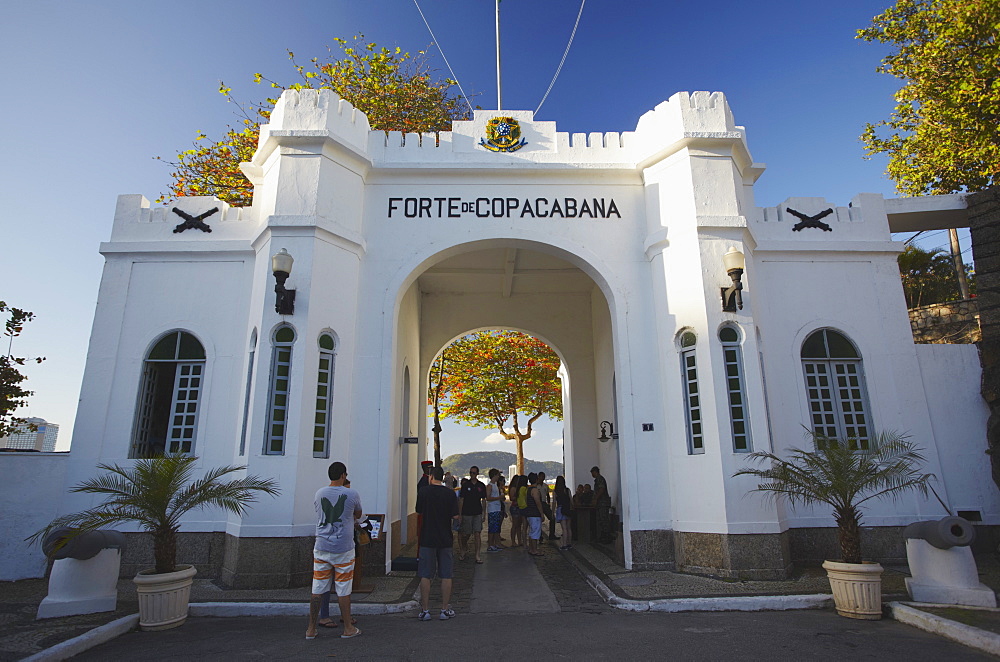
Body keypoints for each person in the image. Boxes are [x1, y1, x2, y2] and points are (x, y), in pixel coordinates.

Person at [307, 462, 362, 640]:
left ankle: (311, 629)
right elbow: (358, 513)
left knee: (318, 588)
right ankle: (347, 628)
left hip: (322, 546)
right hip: (343, 548)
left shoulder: (319, 493)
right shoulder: (351, 493)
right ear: (343, 475)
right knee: (343, 588)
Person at [415, 466, 460, 621]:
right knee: (446, 575)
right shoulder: (449, 494)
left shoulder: (424, 492)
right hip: (445, 537)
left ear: (431, 477)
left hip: (427, 537)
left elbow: (419, 511)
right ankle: (444, 609)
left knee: (425, 575)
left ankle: (425, 610)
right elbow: (455, 516)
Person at [318, 479, 360, 630]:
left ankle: (344, 616)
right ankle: (324, 616)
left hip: (341, 544)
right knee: (326, 585)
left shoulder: (327, 495)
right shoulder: (325, 495)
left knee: (343, 586)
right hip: (333, 546)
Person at [457, 466, 487, 563]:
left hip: (477, 512)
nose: (472, 474)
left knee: (477, 533)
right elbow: (461, 500)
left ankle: (477, 555)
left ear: (477, 473)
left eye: (474, 473)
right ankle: (463, 548)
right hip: (467, 513)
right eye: (471, 472)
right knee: (466, 534)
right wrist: (460, 514)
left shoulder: (481, 485)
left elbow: (483, 500)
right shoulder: (466, 486)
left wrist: (484, 513)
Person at [523, 472, 547, 556]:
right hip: (535, 514)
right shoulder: (535, 490)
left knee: (532, 532)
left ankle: (531, 548)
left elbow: (526, 500)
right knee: (535, 532)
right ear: (536, 479)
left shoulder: (528, 490)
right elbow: (538, 502)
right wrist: (541, 513)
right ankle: (534, 549)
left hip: (529, 513)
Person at [591, 466, 613, 544]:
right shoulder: (597, 480)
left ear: (595, 472)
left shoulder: (600, 479)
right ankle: (603, 536)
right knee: (601, 520)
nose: (592, 474)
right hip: (600, 504)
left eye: (592, 472)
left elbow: (601, 489)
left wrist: (595, 498)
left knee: (604, 520)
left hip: (602, 503)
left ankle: (607, 536)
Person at [485, 468, 504, 552]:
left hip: (497, 508)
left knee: (496, 527)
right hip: (492, 509)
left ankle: (496, 543)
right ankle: (490, 544)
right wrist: (498, 498)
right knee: (492, 528)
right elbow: (488, 498)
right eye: (497, 475)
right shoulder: (490, 486)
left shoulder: (495, 485)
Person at [554, 475, 574, 550]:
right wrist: (572, 508)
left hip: (561, 509)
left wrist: (553, 512)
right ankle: (569, 543)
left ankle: (564, 544)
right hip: (568, 509)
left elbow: (554, 503)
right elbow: (571, 500)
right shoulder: (567, 490)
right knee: (569, 528)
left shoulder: (556, 491)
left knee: (564, 528)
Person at [507, 475, 524, 548]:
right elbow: (511, 498)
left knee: (519, 525)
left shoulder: (517, 488)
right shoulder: (513, 488)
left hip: (518, 507)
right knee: (515, 525)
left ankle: (520, 541)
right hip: (515, 507)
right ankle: (513, 541)